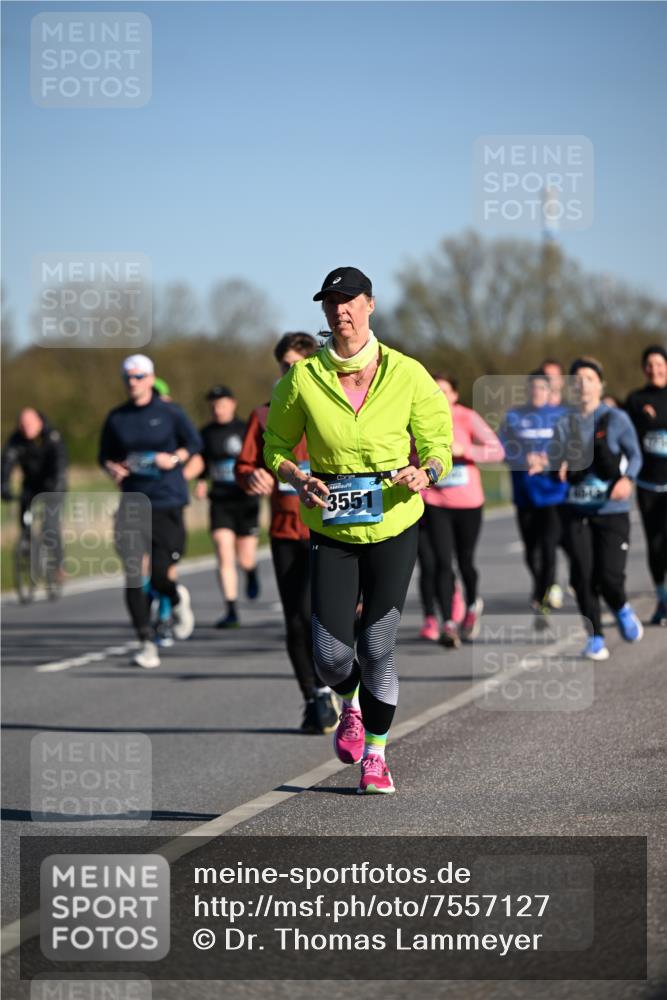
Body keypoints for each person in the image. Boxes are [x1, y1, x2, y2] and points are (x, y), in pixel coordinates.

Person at [264, 266, 452, 795]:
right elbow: (274, 446)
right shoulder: (302, 378)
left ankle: (376, 754)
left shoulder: (408, 373)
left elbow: (440, 442)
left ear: (370, 305)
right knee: (330, 656)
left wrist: (427, 471)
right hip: (332, 525)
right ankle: (349, 702)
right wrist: (296, 475)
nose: (340, 310)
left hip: (394, 520)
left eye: (350, 301)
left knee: (375, 645)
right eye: (330, 303)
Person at [236, 332, 339, 734]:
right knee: (296, 620)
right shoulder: (263, 415)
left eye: (294, 366)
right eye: (283, 367)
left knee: (330, 617)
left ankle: (345, 689)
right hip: (285, 531)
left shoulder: (331, 409)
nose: (287, 373)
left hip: (333, 527)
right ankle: (314, 696)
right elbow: (244, 465)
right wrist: (250, 479)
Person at [99, 354, 201, 668]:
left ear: (150, 378)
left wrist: (174, 458)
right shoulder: (117, 418)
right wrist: (112, 468)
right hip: (133, 502)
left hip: (166, 500)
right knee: (133, 576)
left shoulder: (170, 412)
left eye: (139, 377)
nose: (133, 382)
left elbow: (194, 443)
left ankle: (174, 595)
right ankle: (145, 642)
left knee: (159, 574)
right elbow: (105, 455)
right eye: (128, 377)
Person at [549, 357, 643, 660]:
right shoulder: (565, 422)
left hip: (611, 512)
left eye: (589, 378)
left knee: (610, 577)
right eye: (577, 379)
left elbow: (635, 455)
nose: (583, 384)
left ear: (600, 384)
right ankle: (595, 637)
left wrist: (628, 480)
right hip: (575, 510)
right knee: (582, 576)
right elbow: (556, 458)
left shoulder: (616, 419)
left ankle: (621, 607)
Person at [416, 373, 504, 647]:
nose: (439, 396)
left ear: (454, 395)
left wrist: (465, 449)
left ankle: (472, 604)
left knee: (465, 561)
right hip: (435, 501)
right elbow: (407, 454)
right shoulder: (420, 419)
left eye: (444, 391)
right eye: (435, 391)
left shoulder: (467, 417)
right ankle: (448, 623)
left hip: (468, 503)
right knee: (443, 562)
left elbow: (497, 450)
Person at [499, 371, 568, 622]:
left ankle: (543, 594)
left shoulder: (561, 416)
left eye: (542, 388)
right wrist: (522, 458)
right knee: (531, 550)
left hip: (554, 494)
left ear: (550, 392)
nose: (537, 392)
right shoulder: (514, 416)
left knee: (549, 547)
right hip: (525, 493)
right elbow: (502, 448)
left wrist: (552, 460)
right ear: (528, 391)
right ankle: (541, 586)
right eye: (534, 388)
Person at [194, 386, 260, 628]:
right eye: (212, 405)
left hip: (245, 501)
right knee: (223, 551)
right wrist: (200, 482)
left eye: (221, 404)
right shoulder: (205, 433)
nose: (217, 409)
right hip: (220, 501)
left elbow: (259, 459)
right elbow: (201, 464)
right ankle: (231, 609)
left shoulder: (245, 430)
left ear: (232, 404)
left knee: (245, 559)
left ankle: (251, 572)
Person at [625, 345, 667, 626]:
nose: (655, 369)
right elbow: (626, 437)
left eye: (659, 364)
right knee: (655, 545)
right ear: (644, 368)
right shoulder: (636, 400)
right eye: (649, 364)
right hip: (647, 483)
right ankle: (662, 599)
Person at [1, 407, 68, 581]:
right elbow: (7, 462)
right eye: (22, 425)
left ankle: (58, 564)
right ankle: (28, 549)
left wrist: (57, 484)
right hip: (30, 486)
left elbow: (60, 462)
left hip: (53, 485)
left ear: (39, 423)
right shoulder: (16, 440)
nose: (26, 428)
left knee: (50, 526)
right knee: (25, 521)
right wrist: (4, 486)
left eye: (29, 424)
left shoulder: (52, 437)